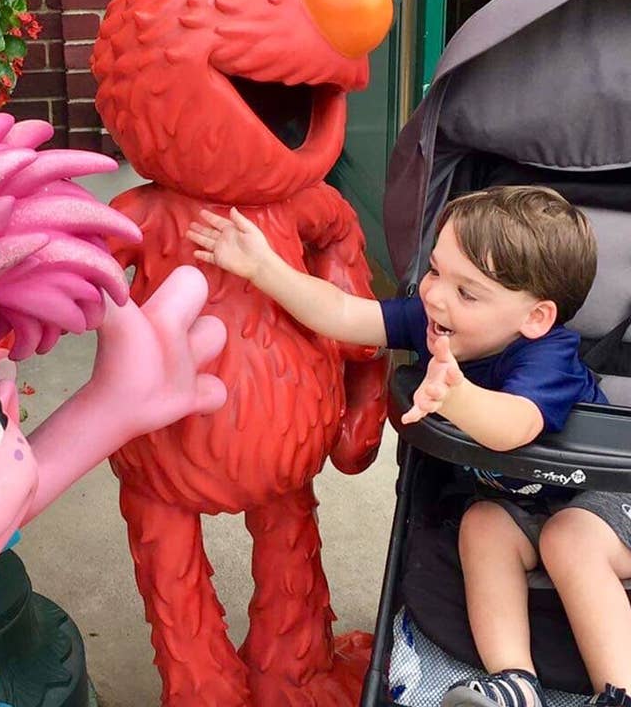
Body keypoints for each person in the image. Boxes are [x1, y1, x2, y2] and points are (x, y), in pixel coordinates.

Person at [188, 185, 631, 707]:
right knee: (482, 524)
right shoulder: (435, 324)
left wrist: (457, 397)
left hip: (606, 501)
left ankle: (620, 690)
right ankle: (515, 681)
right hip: (525, 507)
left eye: (468, 292)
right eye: (437, 270)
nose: (437, 295)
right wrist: (263, 268)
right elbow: (344, 314)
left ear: (534, 318)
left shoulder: (545, 357)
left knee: (566, 539)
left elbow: (513, 427)